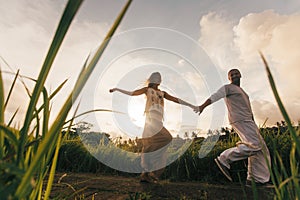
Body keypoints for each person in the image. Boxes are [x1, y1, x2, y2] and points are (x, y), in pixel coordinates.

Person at [110, 72, 196, 183]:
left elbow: (176, 99)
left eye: (159, 78)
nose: (158, 79)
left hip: (159, 121)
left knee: (153, 143)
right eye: (155, 77)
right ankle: (149, 169)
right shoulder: (147, 90)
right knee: (166, 138)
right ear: (151, 79)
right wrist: (117, 89)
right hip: (150, 119)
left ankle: (146, 173)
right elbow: (132, 93)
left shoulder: (162, 93)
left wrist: (191, 105)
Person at [194, 69, 271, 186]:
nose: (234, 76)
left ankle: (255, 180)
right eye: (231, 75)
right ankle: (224, 158)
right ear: (229, 78)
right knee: (255, 145)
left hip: (248, 121)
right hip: (240, 120)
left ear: (240, 75)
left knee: (261, 150)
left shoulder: (243, 92)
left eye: (236, 73)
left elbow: (248, 109)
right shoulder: (228, 88)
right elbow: (215, 96)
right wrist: (202, 106)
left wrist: (254, 123)